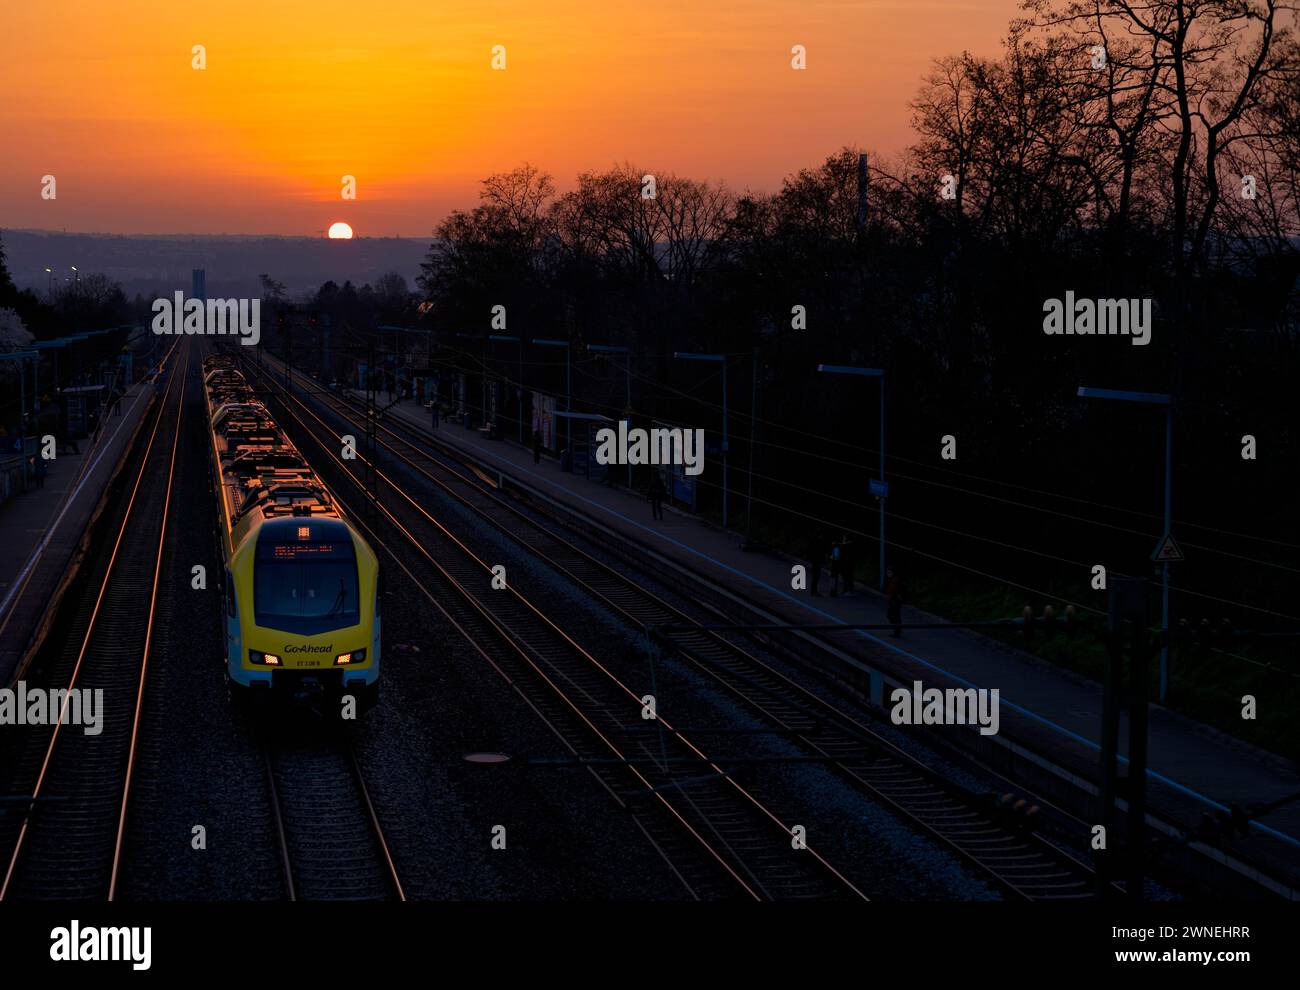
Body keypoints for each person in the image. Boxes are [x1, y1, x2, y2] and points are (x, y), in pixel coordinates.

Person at [885, 566, 904, 637]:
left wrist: (890, 598)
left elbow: (894, 591)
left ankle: (897, 631)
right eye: (887, 572)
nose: (888, 574)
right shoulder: (892, 580)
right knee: (893, 616)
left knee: (894, 616)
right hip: (893, 600)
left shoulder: (895, 581)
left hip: (894, 600)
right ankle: (898, 629)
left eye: (890, 572)